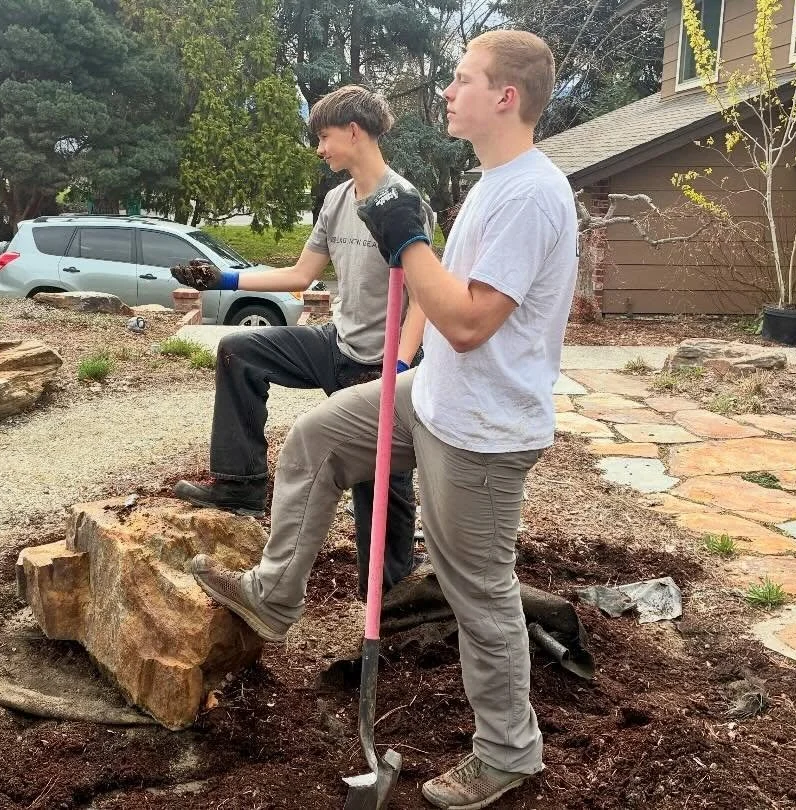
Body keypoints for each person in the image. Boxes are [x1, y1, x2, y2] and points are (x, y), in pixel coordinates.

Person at [186, 30, 576, 809]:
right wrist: (403, 350)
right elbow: (440, 309)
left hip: (483, 433)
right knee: (318, 438)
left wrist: (408, 242)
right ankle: (274, 592)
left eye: (462, 80)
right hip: (434, 398)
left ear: (505, 97)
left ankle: (508, 752)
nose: (446, 91)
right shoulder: (493, 181)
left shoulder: (532, 194)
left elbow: (468, 322)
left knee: (479, 592)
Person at [170, 84, 434, 593]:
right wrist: (223, 279)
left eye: (325, 137)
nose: (320, 149)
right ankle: (241, 483)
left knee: (380, 489)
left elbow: (423, 295)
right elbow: (300, 273)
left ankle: (390, 598)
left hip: (383, 364)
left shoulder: (403, 202)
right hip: (337, 346)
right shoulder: (336, 200)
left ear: (353, 131)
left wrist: (400, 366)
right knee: (239, 351)